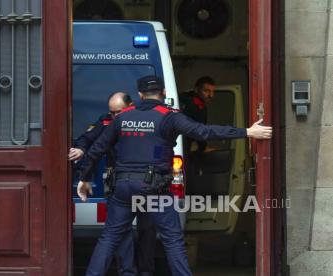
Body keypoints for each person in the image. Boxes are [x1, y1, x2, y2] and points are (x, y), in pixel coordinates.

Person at [77, 75, 272, 276]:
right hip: (154, 189)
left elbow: (97, 148)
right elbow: (204, 132)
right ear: (163, 93)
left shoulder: (122, 118)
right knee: (172, 240)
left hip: (123, 187)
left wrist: (85, 178)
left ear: (140, 95)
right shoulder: (169, 117)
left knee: (109, 238)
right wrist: (247, 132)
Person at [69, 92, 137, 276]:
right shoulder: (107, 121)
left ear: (131, 105)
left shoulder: (141, 120)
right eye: (112, 112)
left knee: (140, 231)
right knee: (122, 230)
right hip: (117, 183)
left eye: (118, 112)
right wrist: (81, 149)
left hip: (143, 184)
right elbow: (88, 138)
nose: (115, 116)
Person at [179, 76, 216, 153]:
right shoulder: (195, 105)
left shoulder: (185, 99)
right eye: (206, 91)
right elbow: (199, 131)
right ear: (196, 90)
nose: (210, 95)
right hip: (182, 146)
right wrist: (203, 148)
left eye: (212, 91)